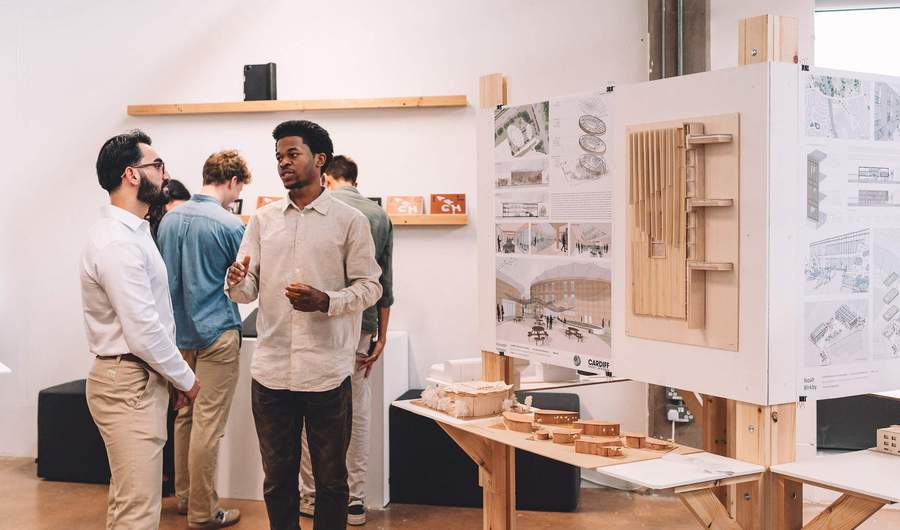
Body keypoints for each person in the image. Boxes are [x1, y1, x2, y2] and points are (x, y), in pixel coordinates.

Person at [226, 120, 382, 530]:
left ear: (320, 159)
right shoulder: (262, 221)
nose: (283, 163)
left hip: (326, 373)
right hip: (272, 372)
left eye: (292, 154)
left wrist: (327, 300)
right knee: (278, 481)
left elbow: (371, 287)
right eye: (279, 156)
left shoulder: (350, 221)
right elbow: (249, 289)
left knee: (331, 481)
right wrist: (238, 284)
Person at [80, 130, 200, 529]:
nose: (165, 174)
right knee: (137, 513)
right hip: (127, 380)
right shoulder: (117, 242)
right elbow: (144, 329)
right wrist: (186, 379)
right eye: (157, 165)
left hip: (135, 378)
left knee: (130, 503)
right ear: (132, 175)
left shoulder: (133, 233)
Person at [157, 150, 252, 528]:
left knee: (184, 416)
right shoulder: (229, 225)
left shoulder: (167, 220)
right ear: (232, 182)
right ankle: (202, 510)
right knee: (208, 423)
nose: (237, 193)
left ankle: (184, 498)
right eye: (240, 186)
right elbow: (246, 283)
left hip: (179, 335)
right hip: (216, 331)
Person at [298, 155, 394, 526]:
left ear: (326, 176)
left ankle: (310, 497)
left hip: (318, 323)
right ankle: (354, 501)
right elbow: (385, 284)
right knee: (357, 411)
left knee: (309, 410)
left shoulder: (320, 209)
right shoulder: (379, 215)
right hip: (364, 326)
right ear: (355, 178)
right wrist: (382, 334)